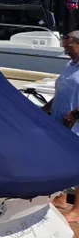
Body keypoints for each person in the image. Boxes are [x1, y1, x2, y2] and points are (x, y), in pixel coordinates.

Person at [43, 31, 79, 221]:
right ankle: (60, 198)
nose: (67, 52)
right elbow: (62, 90)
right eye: (65, 48)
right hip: (60, 121)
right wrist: (45, 108)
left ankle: (77, 210)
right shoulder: (71, 65)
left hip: (76, 125)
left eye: (70, 48)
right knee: (61, 161)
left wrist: (75, 113)